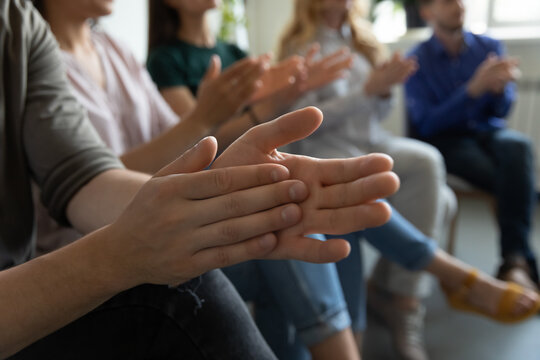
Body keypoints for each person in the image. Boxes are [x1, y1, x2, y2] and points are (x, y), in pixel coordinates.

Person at [0, 0, 401, 357]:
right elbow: (184, 139)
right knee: (197, 276)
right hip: (54, 261)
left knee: (284, 213)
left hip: (105, 225)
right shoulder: (158, 57)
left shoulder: (23, 25)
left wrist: (212, 191)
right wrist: (209, 125)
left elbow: (83, 175)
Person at [276, 0, 455, 358]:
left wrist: (385, 90)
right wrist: (367, 91)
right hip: (325, 148)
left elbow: (378, 111)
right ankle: (405, 298)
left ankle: (403, 299)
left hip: (370, 141)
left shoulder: (365, 41)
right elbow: (303, 122)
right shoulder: (299, 48)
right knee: (350, 196)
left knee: (426, 161)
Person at [406, 0, 539, 291]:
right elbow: (426, 124)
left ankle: (515, 262)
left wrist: (502, 89)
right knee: (511, 176)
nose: (459, 5)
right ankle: (518, 263)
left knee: (518, 147)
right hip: (445, 139)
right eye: (447, 1)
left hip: (486, 131)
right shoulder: (416, 59)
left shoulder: (488, 46)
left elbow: (500, 112)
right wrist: (472, 90)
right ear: (427, 12)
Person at [146, 0, 355, 152]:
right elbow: (198, 141)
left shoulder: (234, 52)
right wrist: (272, 105)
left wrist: (292, 90)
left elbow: (264, 114)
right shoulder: (164, 60)